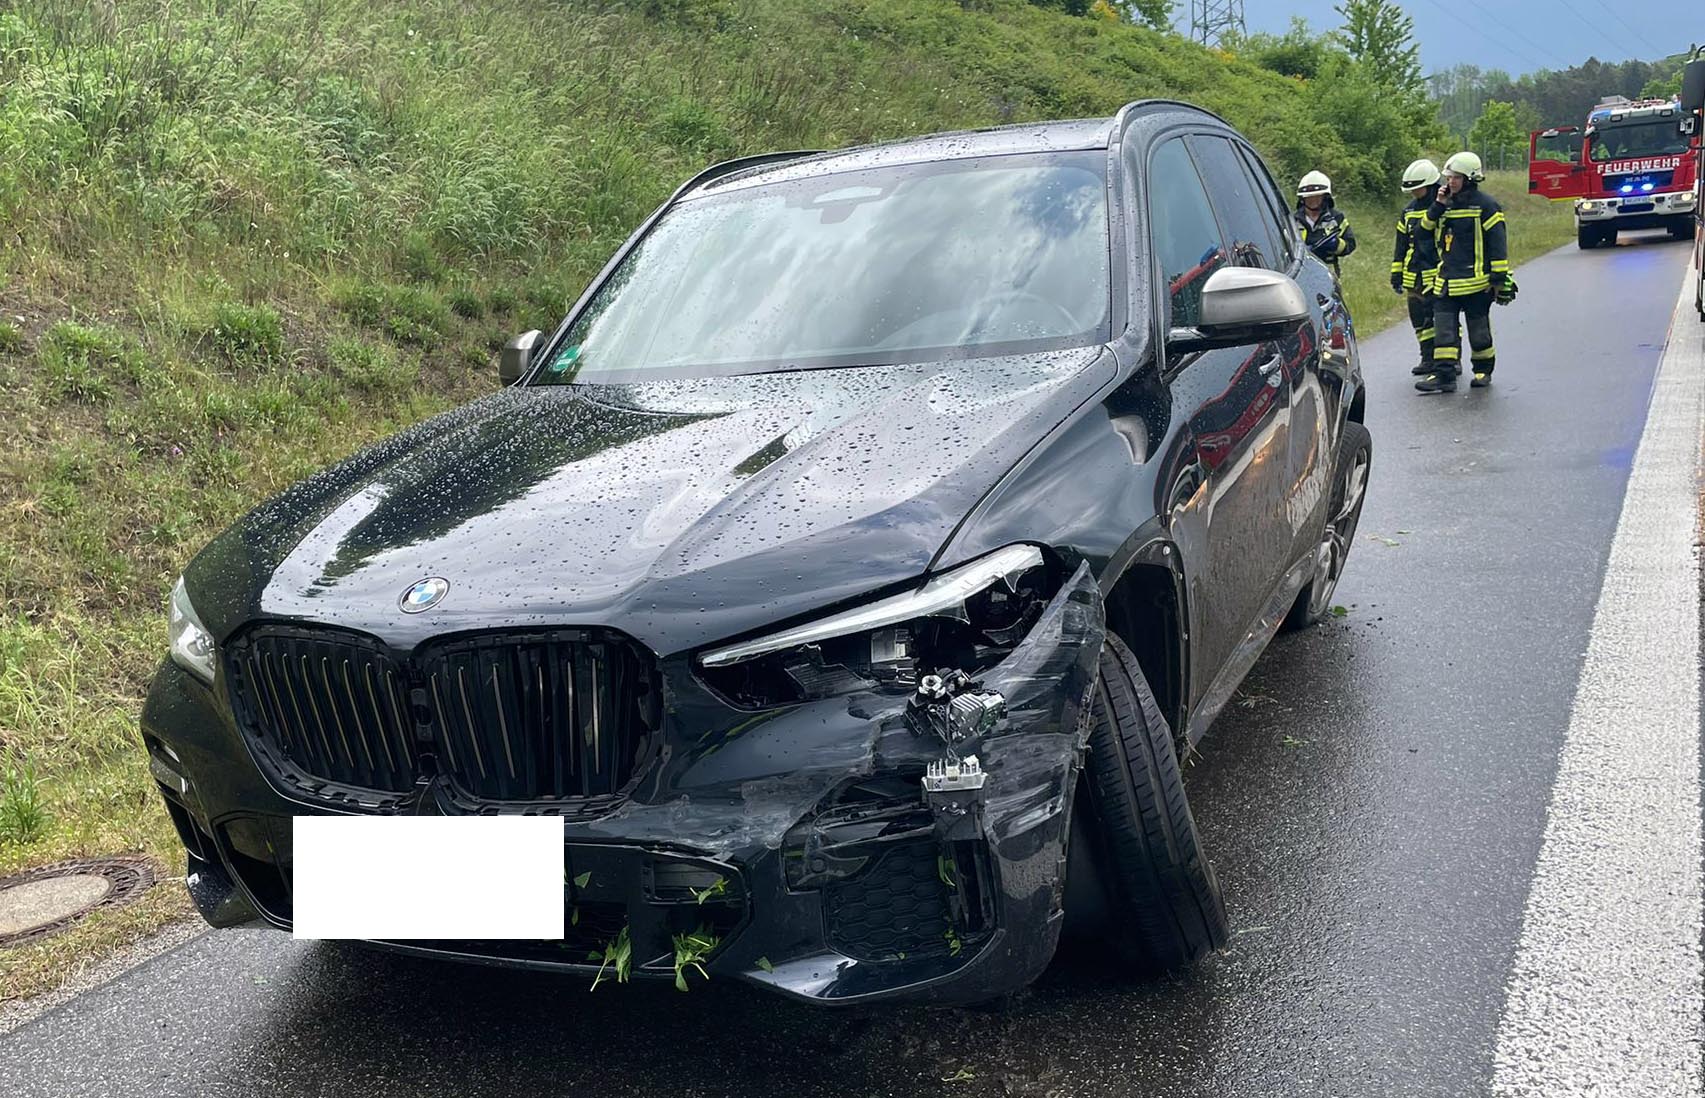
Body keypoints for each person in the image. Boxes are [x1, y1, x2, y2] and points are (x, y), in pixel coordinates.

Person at [1415, 151, 1510, 394]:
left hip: (1477, 284)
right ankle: (1445, 376)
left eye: (1456, 178)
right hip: (1446, 283)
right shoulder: (1444, 205)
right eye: (1448, 178)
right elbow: (1422, 232)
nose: (1450, 182)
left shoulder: (1486, 206)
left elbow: (1497, 243)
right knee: (1443, 332)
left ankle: (1483, 370)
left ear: (1469, 178)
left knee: (1478, 332)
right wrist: (1437, 205)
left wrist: (1498, 279)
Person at [1391, 159, 1443, 376]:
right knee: (1419, 319)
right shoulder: (1409, 211)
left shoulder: (1443, 207)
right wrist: (1396, 272)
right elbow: (1401, 243)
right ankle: (1427, 358)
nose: (1414, 193)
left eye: (1417, 189)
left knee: (1441, 318)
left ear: (1430, 185)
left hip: (1438, 272)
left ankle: (1450, 359)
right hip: (1414, 274)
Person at [1294, 171, 1357, 274]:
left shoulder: (1336, 218)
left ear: (1325, 197)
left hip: (1328, 275)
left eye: (1317, 197)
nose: (1313, 200)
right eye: (1309, 197)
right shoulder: (1293, 220)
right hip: (1301, 273)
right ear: (1302, 199)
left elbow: (1350, 244)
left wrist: (1336, 245)